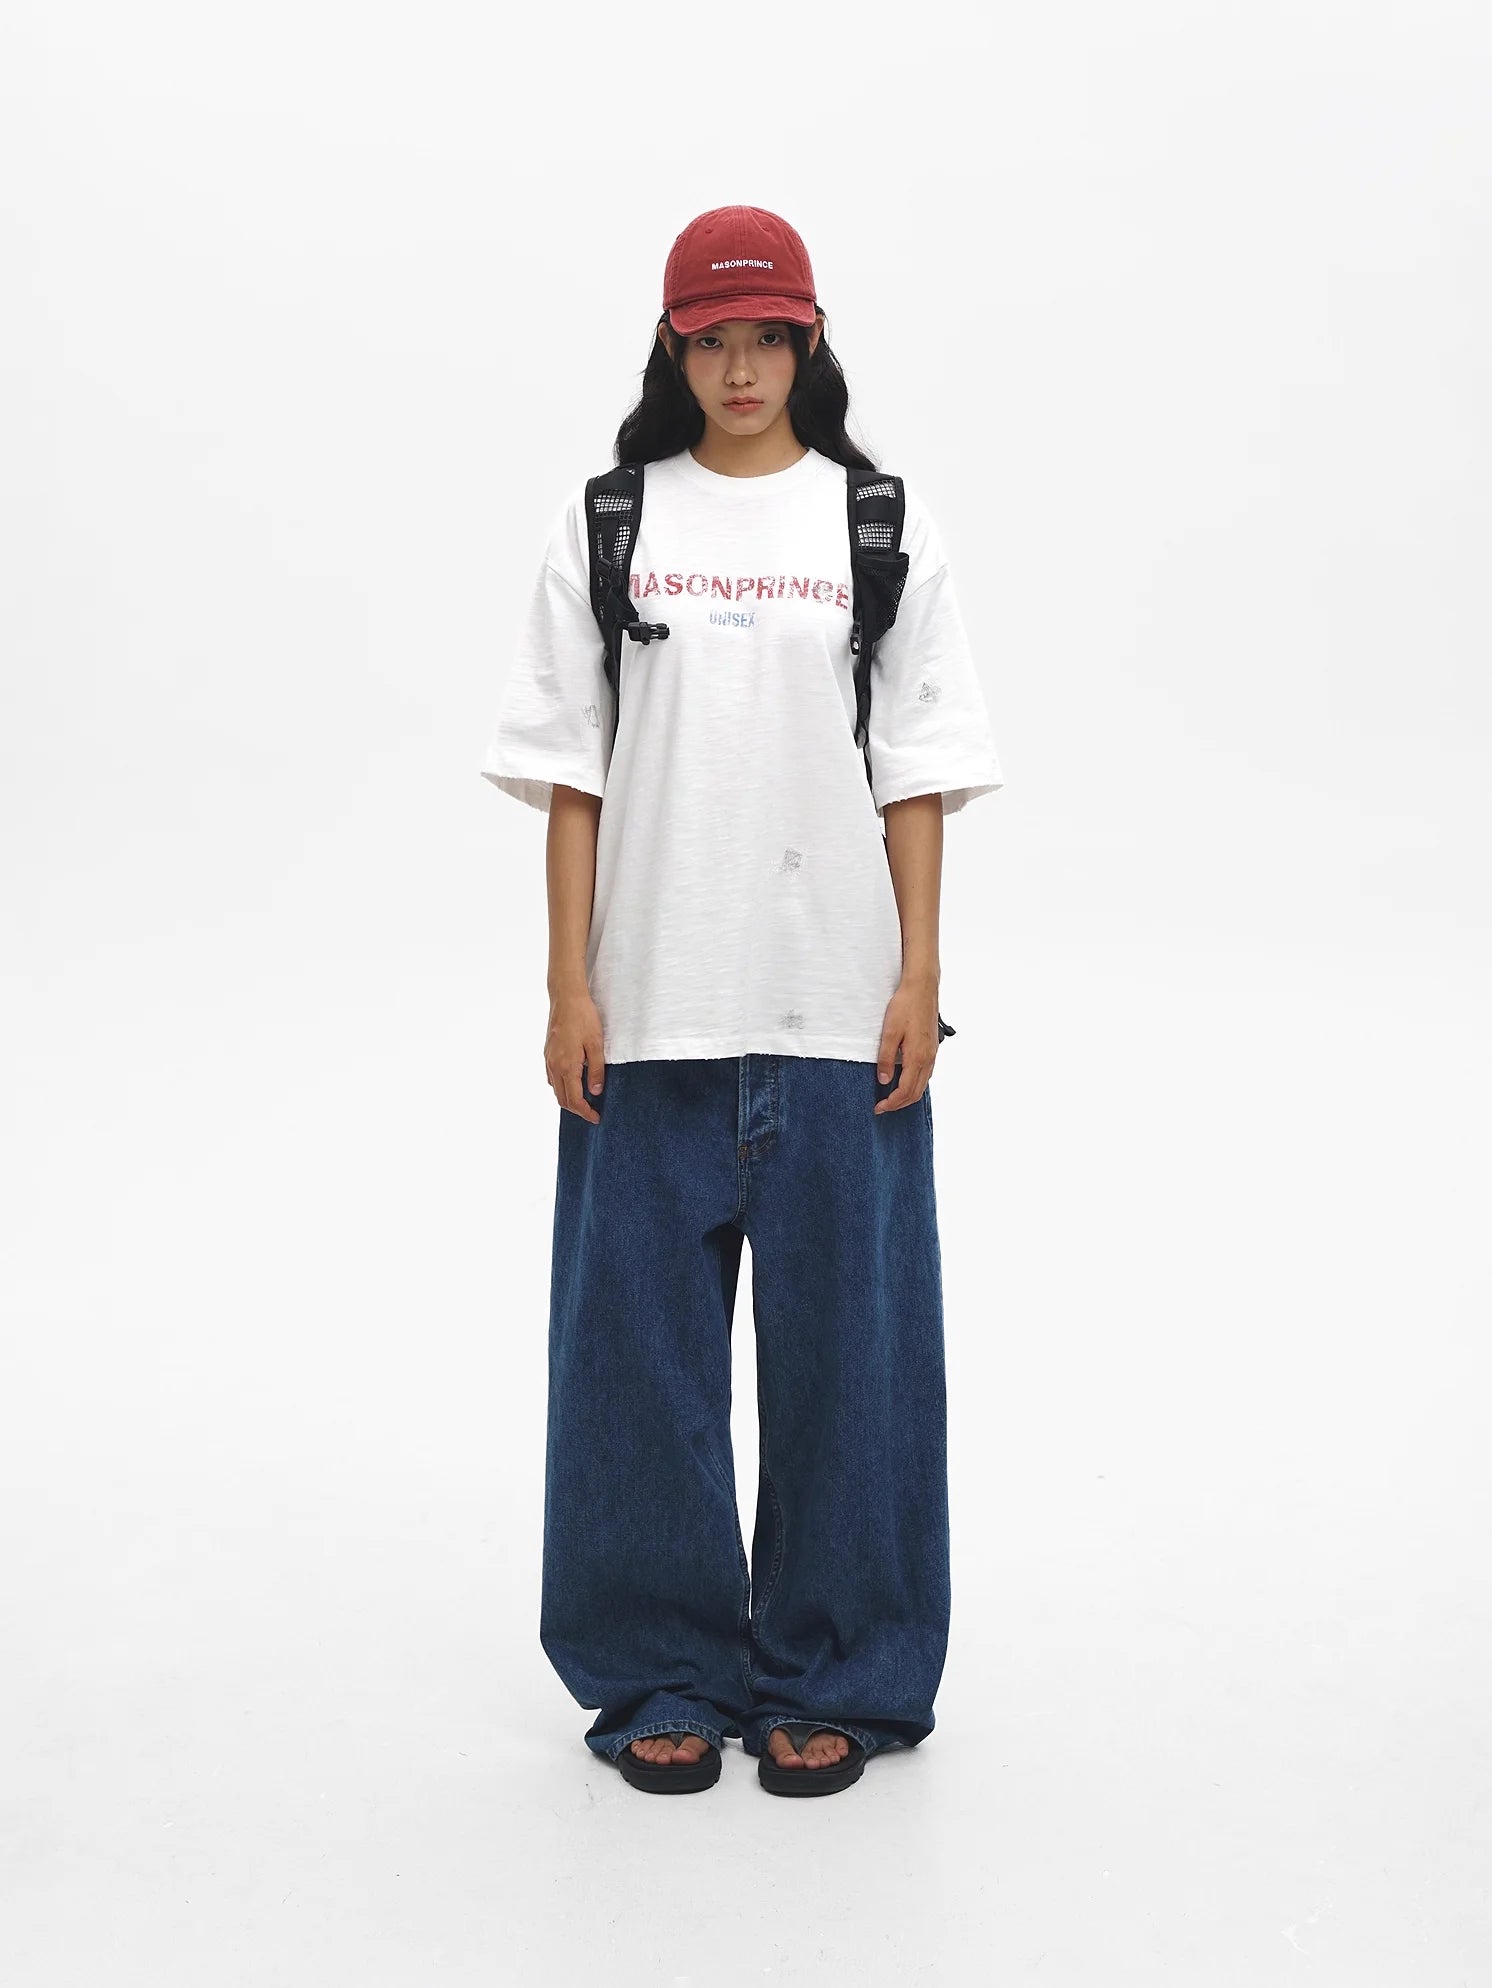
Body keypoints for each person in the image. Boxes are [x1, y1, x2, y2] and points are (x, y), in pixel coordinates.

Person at [480, 205, 1005, 1797]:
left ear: (809, 342)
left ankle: (835, 1670)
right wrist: (568, 985)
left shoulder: (876, 524)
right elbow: (571, 774)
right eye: (714, 340)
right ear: (673, 348)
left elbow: (917, 769)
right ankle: (661, 1670)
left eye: (769, 337)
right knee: (635, 1364)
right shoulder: (610, 521)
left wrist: (919, 973)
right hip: (648, 1012)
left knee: (855, 1359)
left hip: (838, 1010)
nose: (743, 367)